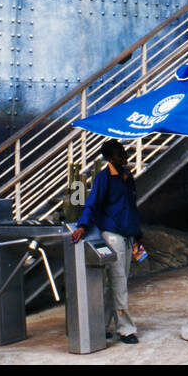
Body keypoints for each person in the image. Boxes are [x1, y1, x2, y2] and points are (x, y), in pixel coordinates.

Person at [71, 139, 143, 345]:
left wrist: (137, 234)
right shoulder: (105, 178)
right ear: (111, 158)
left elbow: (131, 207)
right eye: (120, 154)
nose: (125, 156)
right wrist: (82, 226)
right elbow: (92, 203)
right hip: (113, 235)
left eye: (124, 152)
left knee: (117, 283)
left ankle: (99, 325)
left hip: (127, 235)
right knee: (119, 284)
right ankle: (125, 329)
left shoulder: (127, 177)